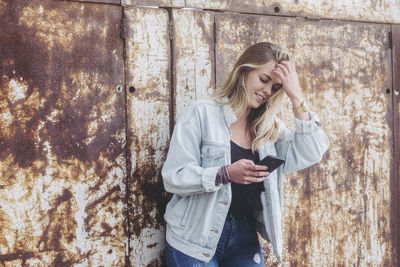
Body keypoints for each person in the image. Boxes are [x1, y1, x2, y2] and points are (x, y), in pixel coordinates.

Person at [161, 42, 329, 266]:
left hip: (244, 236)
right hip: (195, 236)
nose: (268, 91)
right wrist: (225, 174)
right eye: (264, 80)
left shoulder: (269, 129)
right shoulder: (202, 113)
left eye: (276, 87)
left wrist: (296, 97)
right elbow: (174, 177)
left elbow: (312, 151)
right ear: (244, 71)